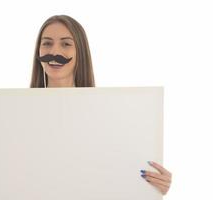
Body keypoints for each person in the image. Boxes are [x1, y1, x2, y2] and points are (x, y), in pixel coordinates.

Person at [30, 15, 172, 195]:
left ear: (80, 51)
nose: (55, 50)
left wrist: (153, 186)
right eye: (47, 43)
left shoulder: (109, 113)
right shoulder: (16, 114)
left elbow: (114, 171)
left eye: (66, 44)